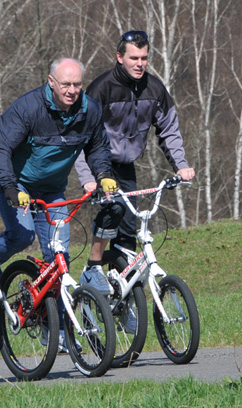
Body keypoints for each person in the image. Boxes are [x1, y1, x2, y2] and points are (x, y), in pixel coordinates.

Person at [0, 58, 119, 308]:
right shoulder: (28, 108)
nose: (72, 90)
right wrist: (10, 188)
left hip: (51, 189)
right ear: (51, 82)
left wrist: (103, 174)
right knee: (22, 234)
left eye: (77, 84)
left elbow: (98, 148)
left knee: (58, 258)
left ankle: (56, 329)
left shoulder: (89, 111)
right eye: (65, 84)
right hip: (12, 183)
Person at [74, 30, 195, 282]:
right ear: (120, 57)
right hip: (100, 165)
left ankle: (122, 294)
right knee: (113, 211)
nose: (140, 64)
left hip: (126, 166)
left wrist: (181, 166)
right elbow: (79, 138)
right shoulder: (101, 89)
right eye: (134, 58)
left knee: (129, 228)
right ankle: (93, 270)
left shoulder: (154, 88)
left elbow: (169, 130)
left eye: (144, 58)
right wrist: (89, 178)